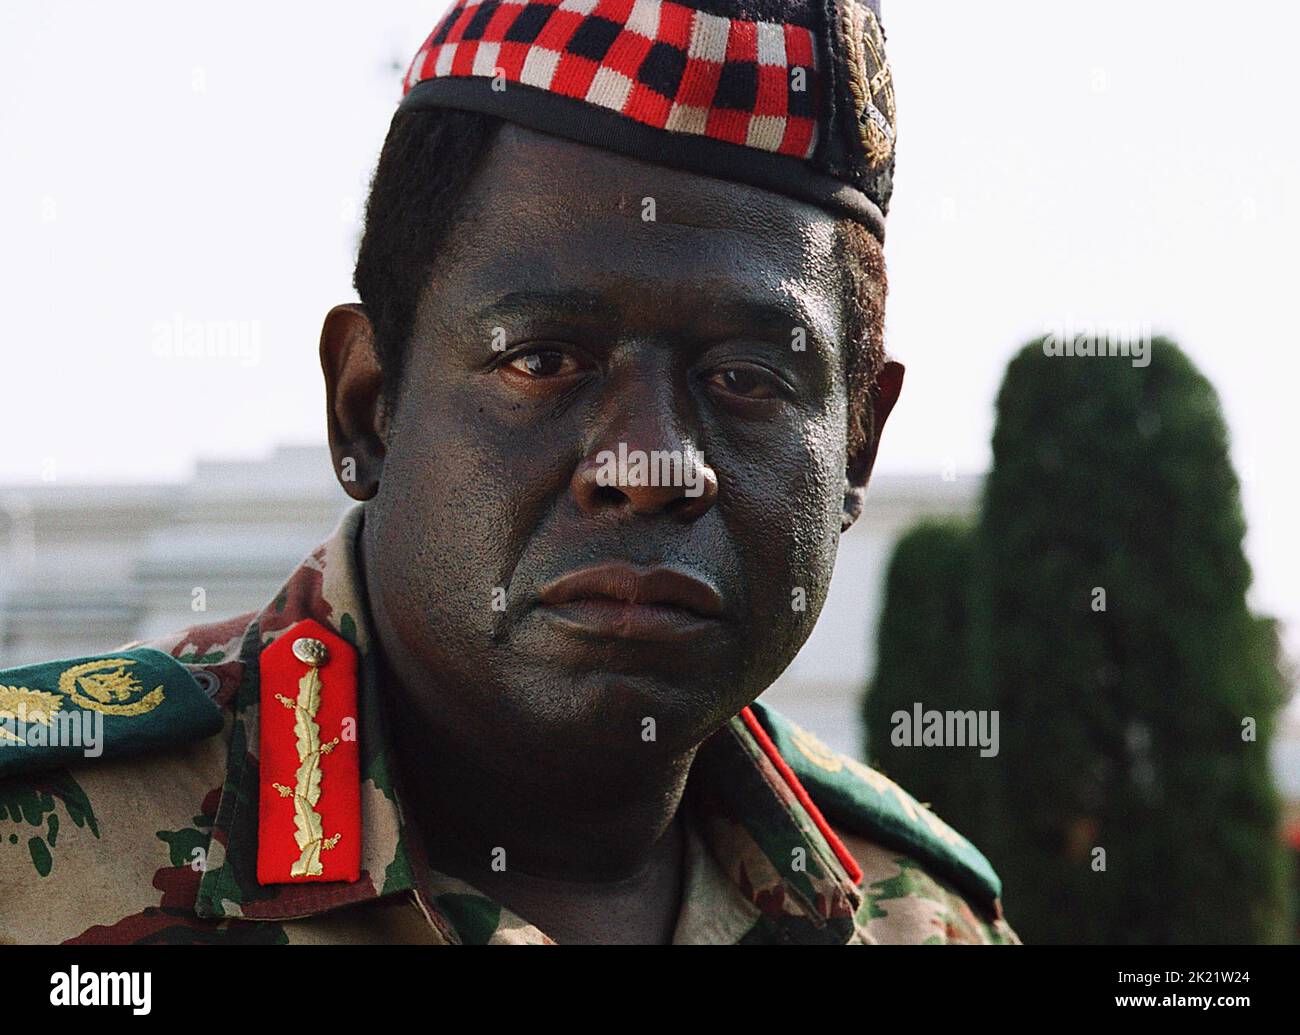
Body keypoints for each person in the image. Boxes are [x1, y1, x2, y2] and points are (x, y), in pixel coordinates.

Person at [0, 0, 1019, 944]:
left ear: (855, 449)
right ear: (366, 405)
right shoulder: (33, 856)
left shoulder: (920, 919)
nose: (650, 465)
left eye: (745, 378)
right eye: (543, 361)